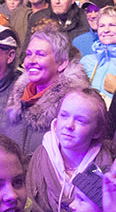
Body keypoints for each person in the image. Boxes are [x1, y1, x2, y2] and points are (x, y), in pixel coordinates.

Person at [26, 89, 111, 212]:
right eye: (64, 116)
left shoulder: (107, 167)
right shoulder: (38, 159)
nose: (69, 125)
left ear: (97, 131)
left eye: (81, 121)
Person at [7, 26, 91, 155]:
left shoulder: (76, 105)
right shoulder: (18, 98)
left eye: (40, 54)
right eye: (29, 54)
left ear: (62, 63)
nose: (31, 61)